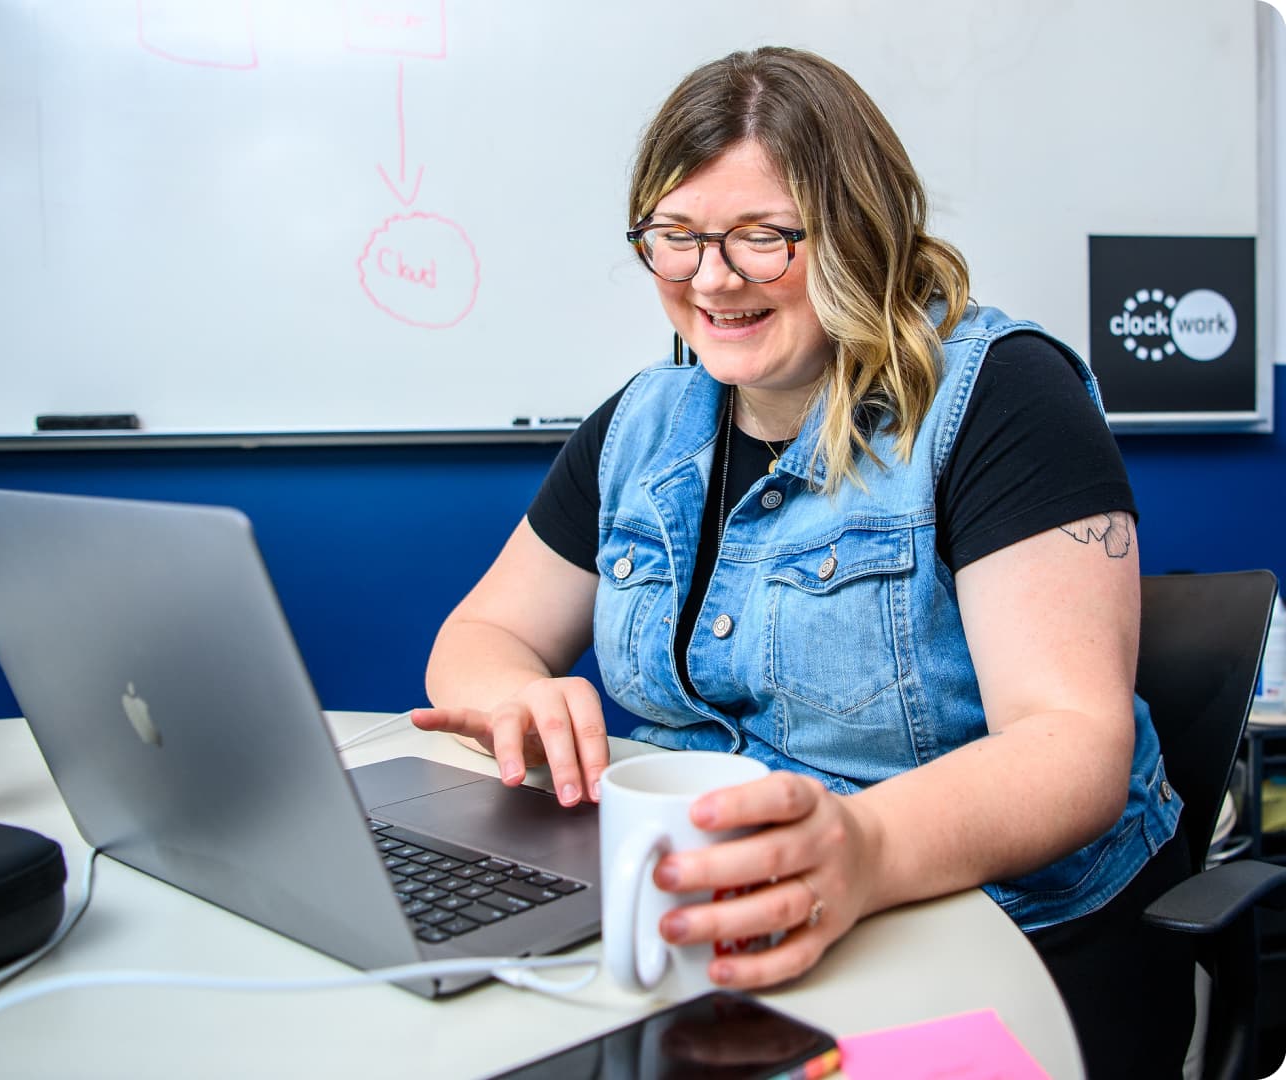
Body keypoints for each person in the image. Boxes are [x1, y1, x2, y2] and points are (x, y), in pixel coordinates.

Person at [413, 46, 1193, 1078]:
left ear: (858, 233)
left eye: (763, 239)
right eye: (676, 239)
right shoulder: (642, 424)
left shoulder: (1003, 398)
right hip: (717, 930)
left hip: (999, 934)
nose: (711, 280)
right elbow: (481, 635)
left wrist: (860, 848)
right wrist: (515, 692)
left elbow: (1072, 746)